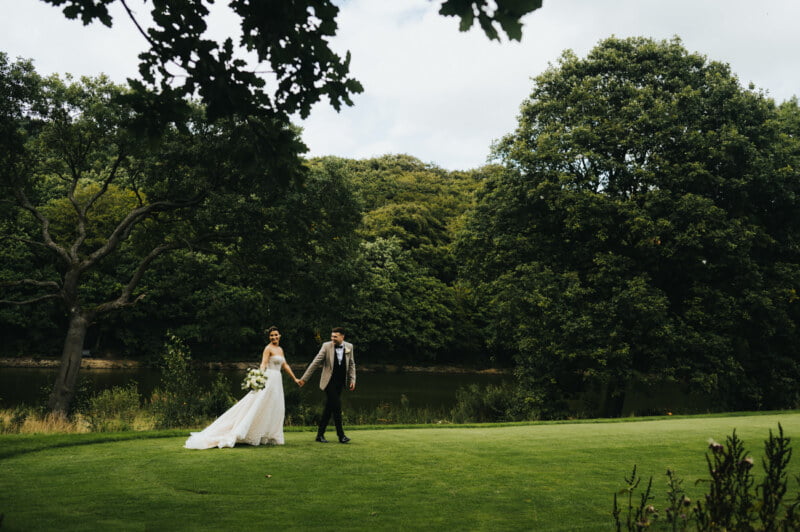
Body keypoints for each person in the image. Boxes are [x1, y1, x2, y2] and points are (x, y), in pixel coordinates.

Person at [184, 326, 300, 449]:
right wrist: (260, 376)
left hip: (278, 380)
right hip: (269, 379)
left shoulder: (280, 349)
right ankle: (245, 431)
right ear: (269, 337)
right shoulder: (268, 348)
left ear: (280, 335)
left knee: (275, 407)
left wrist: (295, 378)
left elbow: (285, 365)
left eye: (276, 335)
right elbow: (263, 363)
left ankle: (270, 435)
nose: (274, 337)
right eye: (271, 335)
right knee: (259, 405)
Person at [298, 327, 356, 443]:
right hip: (329, 382)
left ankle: (320, 435)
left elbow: (351, 364)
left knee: (329, 409)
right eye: (332, 336)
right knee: (337, 406)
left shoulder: (349, 347)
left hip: (340, 383)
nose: (332, 338)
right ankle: (341, 436)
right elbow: (315, 363)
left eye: (335, 336)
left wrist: (352, 379)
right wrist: (304, 379)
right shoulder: (326, 346)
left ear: (342, 337)